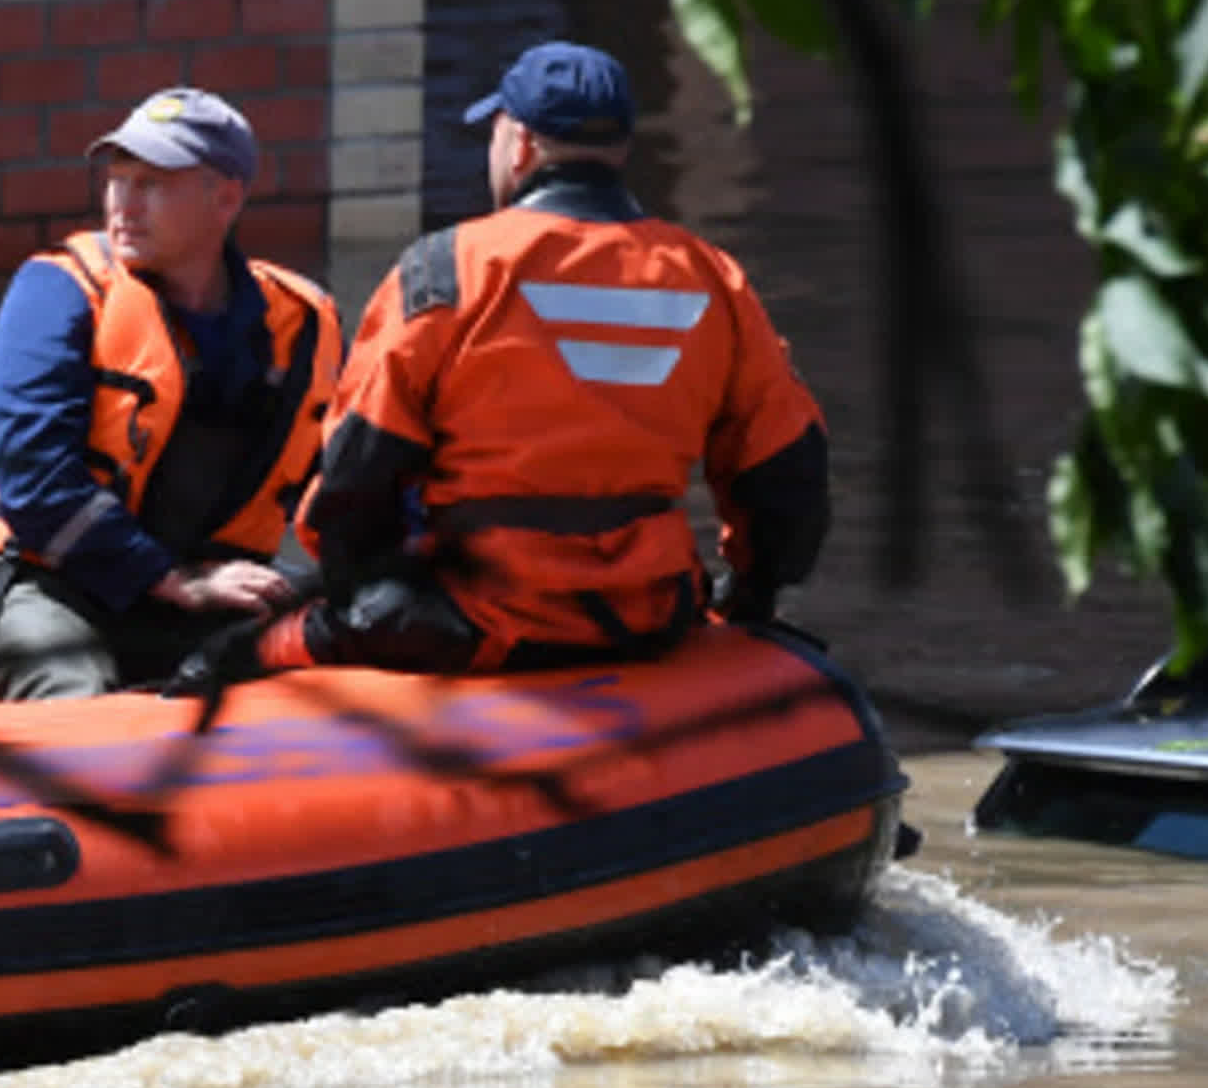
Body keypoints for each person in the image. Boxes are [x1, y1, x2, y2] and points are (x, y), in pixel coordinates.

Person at [209, 40, 832, 683]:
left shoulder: (448, 269)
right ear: (619, 150)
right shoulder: (710, 278)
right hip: (648, 616)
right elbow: (788, 471)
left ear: (522, 144)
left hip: (473, 621)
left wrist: (364, 597)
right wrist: (750, 595)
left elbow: (353, 474)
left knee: (228, 655)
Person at [0, 85, 345, 699]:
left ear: (226, 198)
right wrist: (175, 581)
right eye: (116, 180)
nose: (122, 203)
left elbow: (349, 476)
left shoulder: (304, 323)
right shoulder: (58, 291)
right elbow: (36, 484)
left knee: (336, 666)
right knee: (73, 689)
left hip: (203, 582)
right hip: (37, 575)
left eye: (151, 184)